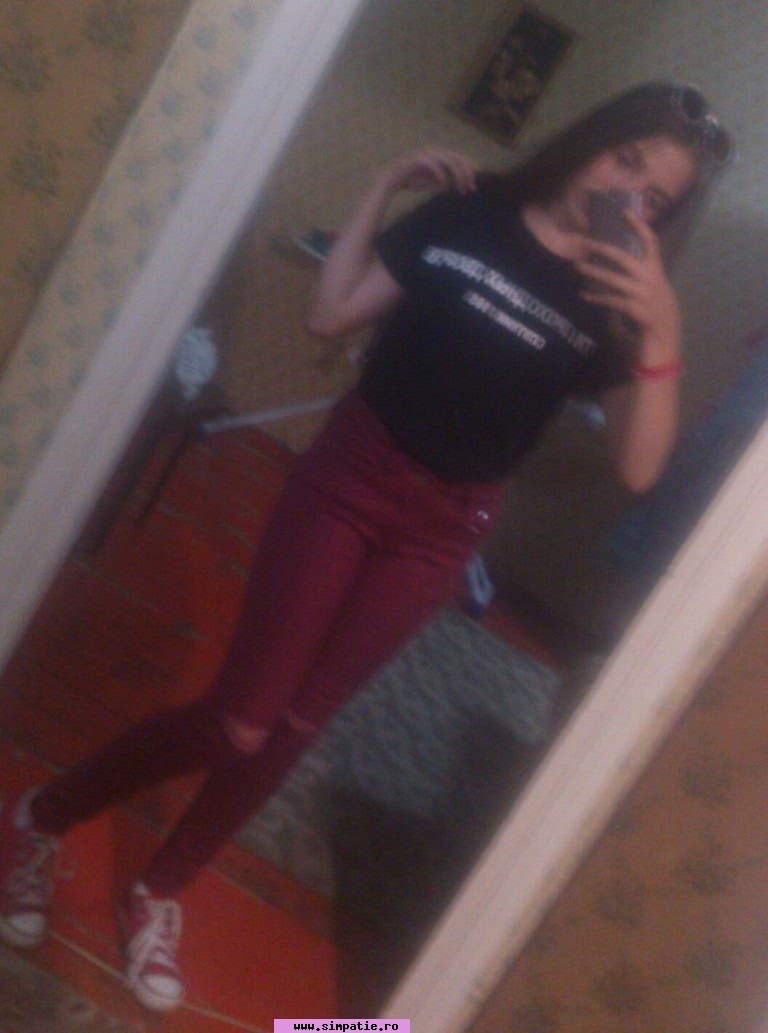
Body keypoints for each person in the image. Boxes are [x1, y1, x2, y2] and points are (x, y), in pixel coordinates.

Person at [0, 81, 732, 1012]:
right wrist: (384, 186)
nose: (627, 192)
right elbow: (331, 312)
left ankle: (162, 887)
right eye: (625, 160)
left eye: (654, 197)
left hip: (443, 530)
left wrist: (662, 330)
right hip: (351, 478)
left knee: (296, 728)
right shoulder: (471, 210)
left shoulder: (609, 300)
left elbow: (639, 465)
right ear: (594, 138)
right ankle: (43, 814)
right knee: (241, 719)